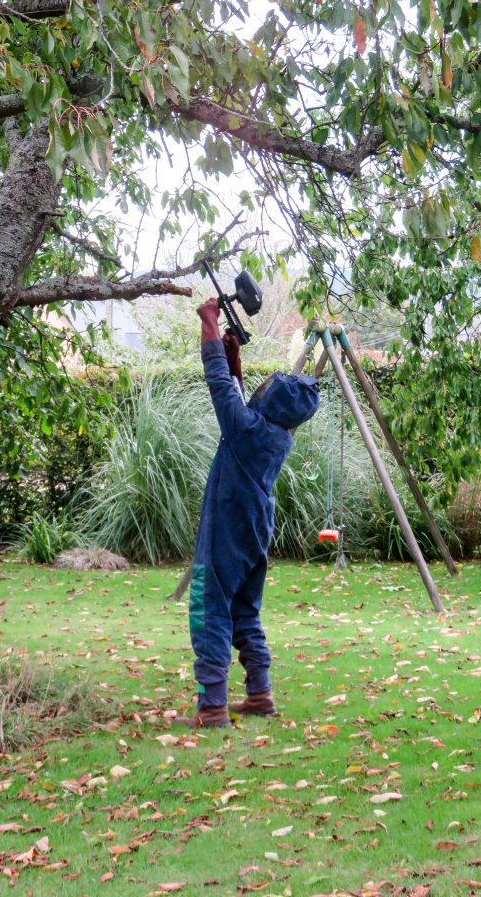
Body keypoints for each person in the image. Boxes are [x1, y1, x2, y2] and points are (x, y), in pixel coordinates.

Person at [176, 298, 320, 729]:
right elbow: (237, 400)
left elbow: (220, 386)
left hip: (228, 527)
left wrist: (207, 323)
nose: (266, 385)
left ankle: (213, 706)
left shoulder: (248, 429)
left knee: (209, 607)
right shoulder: (272, 434)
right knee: (244, 610)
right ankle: (259, 695)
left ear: (271, 403)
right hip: (255, 530)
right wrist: (235, 355)